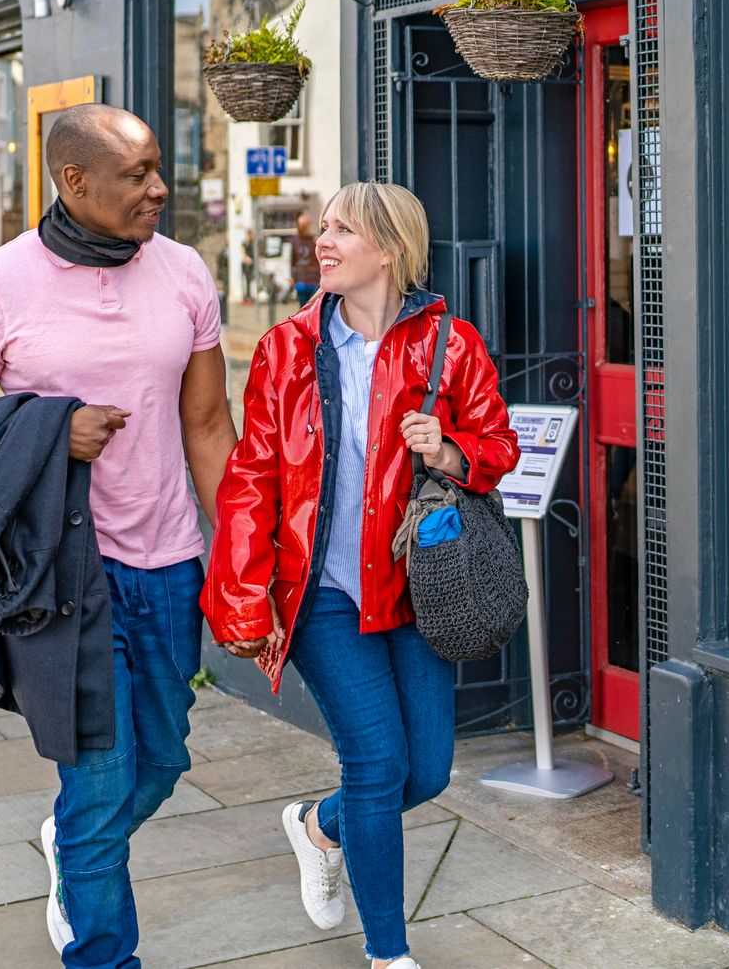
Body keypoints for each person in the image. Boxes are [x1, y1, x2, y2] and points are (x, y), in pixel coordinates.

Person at [0, 104, 236, 969]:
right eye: (137, 174)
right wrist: (50, 430)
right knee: (99, 786)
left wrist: (247, 549)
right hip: (66, 574)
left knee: (164, 757)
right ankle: (104, 951)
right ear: (74, 181)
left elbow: (208, 424)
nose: (159, 188)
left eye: (157, 169)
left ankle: (68, 849)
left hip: (170, 563)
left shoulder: (183, 274)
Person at [202, 182, 518, 969]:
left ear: (390, 247)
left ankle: (319, 825)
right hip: (322, 594)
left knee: (429, 770)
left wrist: (448, 450)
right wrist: (241, 591)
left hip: (418, 588)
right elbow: (252, 477)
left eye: (344, 229)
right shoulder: (286, 349)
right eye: (327, 226)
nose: (325, 239)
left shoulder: (452, 343)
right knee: (377, 763)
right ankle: (389, 953)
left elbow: (499, 445)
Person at [290, 206, 321, 306]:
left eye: (306, 225)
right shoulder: (295, 240)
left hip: (314, 280)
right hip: (302, 281)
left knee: (314, 309)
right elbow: (292, 260)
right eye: (302, 225)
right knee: (303, 309)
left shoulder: (315, 240)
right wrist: (293, 278)